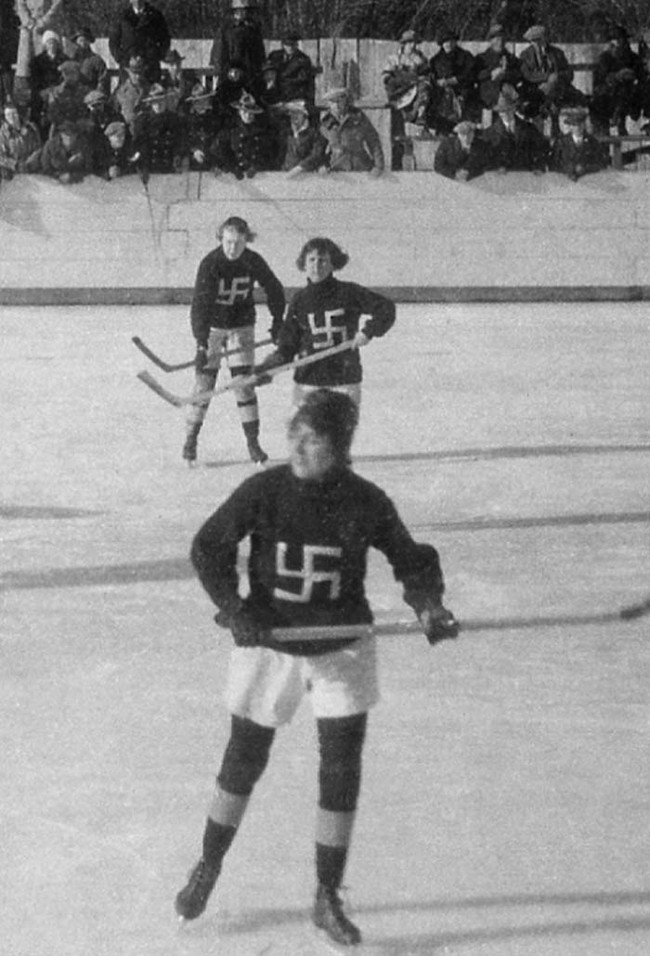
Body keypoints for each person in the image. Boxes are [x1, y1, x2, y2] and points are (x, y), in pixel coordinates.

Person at [174, 388, 459, 947]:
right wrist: (236, 609)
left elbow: (411, 559)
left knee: (340, 770)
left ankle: (327, 895)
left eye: (315, 440)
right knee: (242, 760)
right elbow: (208, 548)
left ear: (340, 447)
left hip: (342, 646)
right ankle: (209, 863)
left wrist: (429, 605)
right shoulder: (266, 491)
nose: (300, 448)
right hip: (271, 644)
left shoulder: (366, 501)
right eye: (295, 436)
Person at [182, 216, 286, 466]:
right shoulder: (210, 263)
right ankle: (191, 440)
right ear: (221, 239)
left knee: (244, 384)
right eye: (228, 242)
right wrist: (201, 343)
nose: (232, 248)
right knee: (204, 384)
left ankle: (253, 443)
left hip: (241, 327)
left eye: (238, 243)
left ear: (246, 241)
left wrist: (277, 321)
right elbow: (200, 305)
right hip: (214, 327)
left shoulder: (252, 260)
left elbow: (274, 288)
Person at [255, 237, 395, 410]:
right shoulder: (299, 300)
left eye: (323, 261)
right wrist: (267, 369)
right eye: (311, 260)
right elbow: (288, 344)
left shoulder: (349, 292)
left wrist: (368, 331)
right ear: (303, 264)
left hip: (344, 382)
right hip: (308, 382)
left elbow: (386, 308)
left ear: (332, 264)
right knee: (306, 436)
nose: (316, 266)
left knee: (338, 436)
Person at [211, 90, 279, 178]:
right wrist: (232, 168)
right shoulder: (230, 130)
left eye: (251, 113)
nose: (248, 116)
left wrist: (257, 166)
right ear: (239, 112)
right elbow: (216, 151)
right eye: (245, 112)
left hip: (258, 177)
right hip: (233, 178)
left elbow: (271, 154)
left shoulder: (263, 132)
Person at [590, 26, 644, 136]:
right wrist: (615, 77)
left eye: (621, 40)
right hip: (608, 97)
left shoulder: (633, 58)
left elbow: (641, 78)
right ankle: (604, 132)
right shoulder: (604, 58)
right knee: (596, 103)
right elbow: (598, 82)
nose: (619, 43)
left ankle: (620, 123)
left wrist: (631, 76)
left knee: (627, 92)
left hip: (629, 97)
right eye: (615, 40)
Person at [482, 86, 549, 173]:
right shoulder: (489, 133)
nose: (504, 114)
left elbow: (540, 152)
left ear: (513, 109)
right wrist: (497, 167)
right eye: (501, 111)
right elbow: (485, 160)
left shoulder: (529, 129)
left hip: (525, 177)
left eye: (507, 110)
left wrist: (538, 167)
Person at [320, 87, 384, 175]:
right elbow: (319, 148)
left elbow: (374, 141)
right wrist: (322, 165)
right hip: (337, 170)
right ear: (329, 104)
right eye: (333, 102)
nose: (337, 105)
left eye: (339, 101)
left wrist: (378, 166)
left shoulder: (358, 117)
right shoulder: (325, 122)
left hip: (361, 167)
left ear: (345, 101)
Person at [209, 0, 266, 100]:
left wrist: (258, 71)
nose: (241, 13)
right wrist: (225, 71)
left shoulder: (253, 28)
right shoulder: (225, 29)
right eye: (238, 10)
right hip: (230, 73)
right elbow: (218, 53)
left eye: (244, 11)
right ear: (233, 12)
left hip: (249, 74)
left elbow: (260, 53)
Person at [109, 0, 170, 84]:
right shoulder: (121, 16)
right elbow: (113, 43)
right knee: (128, 94)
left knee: (152, 95)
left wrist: (155, 56)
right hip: (129, 68)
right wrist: (125, 60)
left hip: (150, 68)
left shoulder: (156, 16)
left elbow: (165, 40)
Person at [429, 29, 478, 126]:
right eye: (446, 41)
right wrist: (438, 82)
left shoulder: (465, 56)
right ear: (442, 44)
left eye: (451, 41)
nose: (449, 44)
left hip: (461, 89)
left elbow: (472, 74)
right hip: (441, 91)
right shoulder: (435, 60)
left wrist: (454, 80)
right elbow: (431, 76)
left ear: (455, 42)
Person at [473, 23, 521, 116]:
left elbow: (519, 74)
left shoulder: (511, 58)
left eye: (503, 39)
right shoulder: (481, 58)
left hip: (509, 98)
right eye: (497, 39)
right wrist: (491, 73)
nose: (500, 42)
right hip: (489, 98)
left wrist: (505, 74)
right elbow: (475, 75)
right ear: (491, 41)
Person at [551, 106, 609, 181]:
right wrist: (570, 170)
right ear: (570, 127)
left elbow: (601, 163)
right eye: (575, 125)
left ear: (584, 125)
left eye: (580, 124)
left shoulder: (593, 142)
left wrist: (585, 168)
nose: (578, 128)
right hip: (565, 182)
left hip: (588, 181)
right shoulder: (561, 142)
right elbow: (554, 164)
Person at [262, 31, 316, 108]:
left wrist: (279, 80)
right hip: (275, 93)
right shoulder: (275, 55)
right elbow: (267, 70)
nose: (290, 48)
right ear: (283, 45)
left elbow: (301, 79)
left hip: (293, 93)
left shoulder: (303, 60)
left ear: (297, 45)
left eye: (293, 45)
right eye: (287, 45)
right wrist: (269, 80)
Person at [279, 99, 327, 174]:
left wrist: (300, 167)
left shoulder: (314, 134)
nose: (294, 116)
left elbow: (316, 155)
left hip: (306, 177)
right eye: (292, 113)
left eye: (298, 113)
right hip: (286, 176)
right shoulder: (287, 133)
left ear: (305, 115)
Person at [0, 99, 40, 180]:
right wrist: (16, 165)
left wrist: (30, 161)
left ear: (19, 114)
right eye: (8, 115)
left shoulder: (31, 128)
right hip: (12, 173)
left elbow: (38, 147)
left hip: (32, 168)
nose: (11, 117)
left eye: (14, 114)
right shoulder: (2, 133)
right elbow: (1, 157)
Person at [71, 27, 109, 94]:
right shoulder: (71, 60)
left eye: (85, 40)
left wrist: (96, 94)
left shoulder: (96, 60)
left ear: (89, 41)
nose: (83, 43)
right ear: (76, 42)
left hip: (91, 96)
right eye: (80, 40)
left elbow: (103, 80)